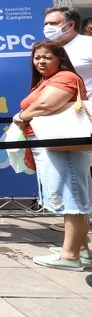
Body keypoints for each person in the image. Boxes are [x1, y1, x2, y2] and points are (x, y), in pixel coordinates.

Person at [13, 40, 92, 271]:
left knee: (72, 197)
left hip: (64, 145)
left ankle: (69, 257)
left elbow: (47, 105)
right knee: (70, 194)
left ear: (60, 59)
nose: (40, 61)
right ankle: (83, 250)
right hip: (51, 144)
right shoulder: (47, 80)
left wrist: (22, 116)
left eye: (46, 57)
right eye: (37, 58)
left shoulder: (65, 77)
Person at [43, 7, 92, 89]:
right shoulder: (47, 50)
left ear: (70, 25)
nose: (47, 27)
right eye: (46, 24)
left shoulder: (89, 44)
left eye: (53, 23)